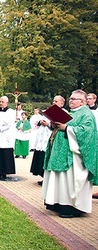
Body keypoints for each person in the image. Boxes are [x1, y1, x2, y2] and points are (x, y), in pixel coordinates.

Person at [42, 89, 98, 218]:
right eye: (70, 98)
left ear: (82, 101)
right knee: (60, 179)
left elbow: (87, 132)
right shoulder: (72, 112)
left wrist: (66, 128)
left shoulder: (86, 114)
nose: (70, 101)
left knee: (68, 181)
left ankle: (70, 207)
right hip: (61, 152)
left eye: (74, 99)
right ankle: (57, 203)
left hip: (73, 157)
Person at [30, 96, 65, 185]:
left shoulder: (63, 113)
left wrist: (48, 124)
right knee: (41, 158)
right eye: (53, 101)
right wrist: (40, 122)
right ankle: (43, 177)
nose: (53, 102)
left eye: (56, 101)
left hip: (52, 139)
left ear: (62, 103)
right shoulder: (50, 112)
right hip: (43, 139)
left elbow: (59, 126)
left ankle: (48, 180)